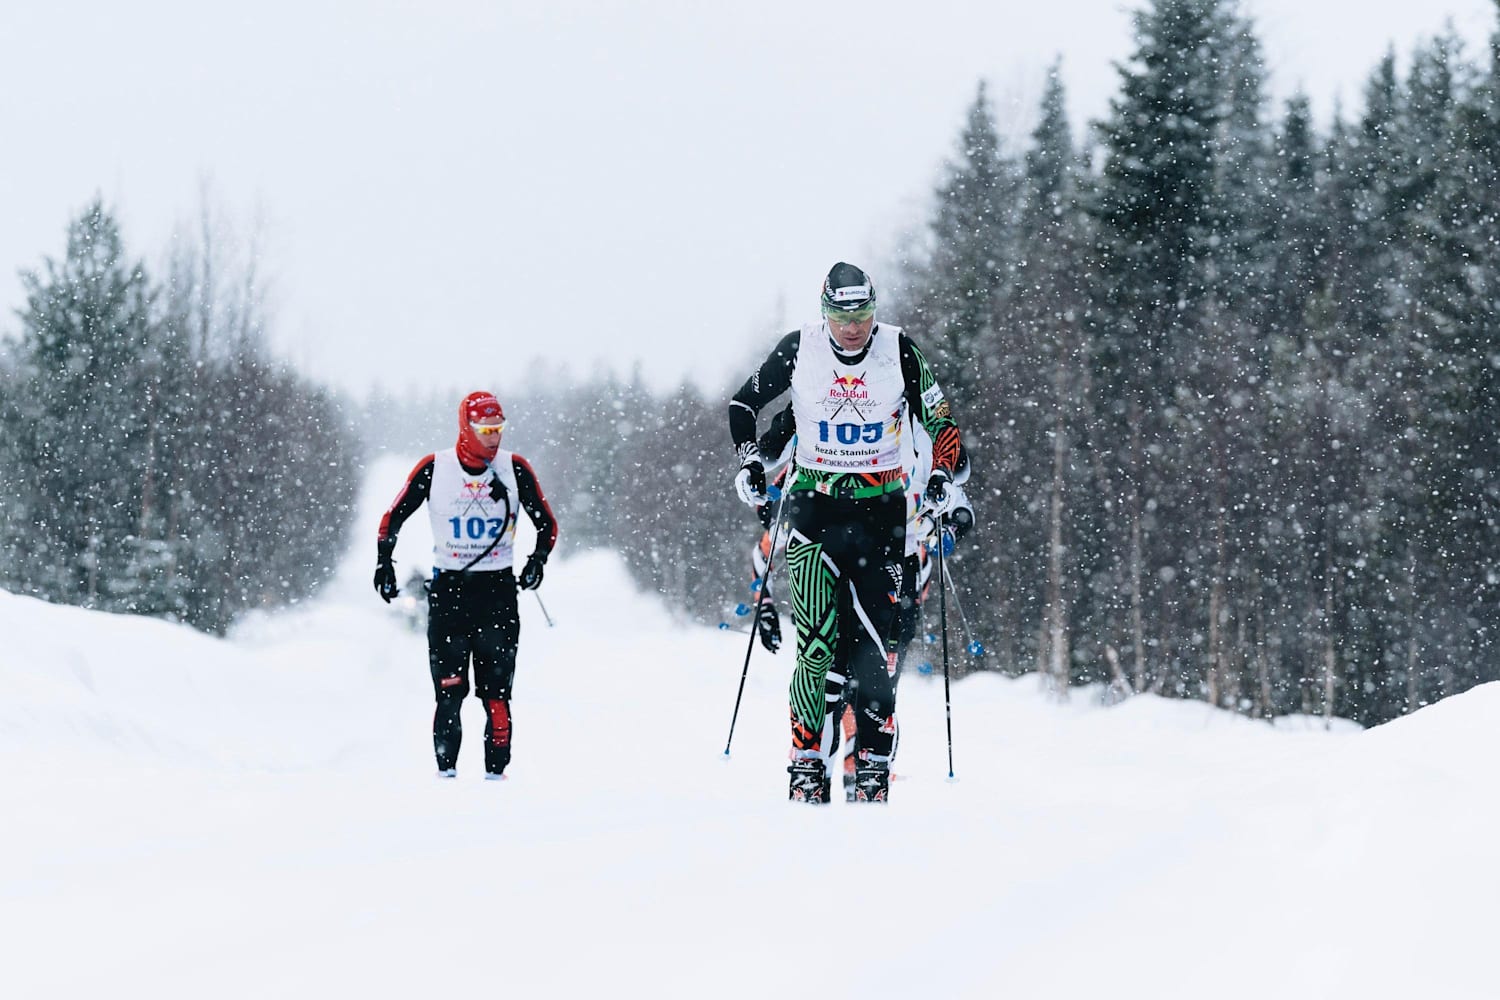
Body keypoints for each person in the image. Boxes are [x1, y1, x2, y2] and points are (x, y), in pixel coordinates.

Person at [728, 262, 963, 803]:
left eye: (862, 315)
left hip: (881, 514)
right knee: (814, 649)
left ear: (874, 310)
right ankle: (806, 763)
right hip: (815, 510)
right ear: (824, 312)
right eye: (841, 316)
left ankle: (873, 765)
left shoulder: (899, 349)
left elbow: (942, 424)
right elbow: (743, 404)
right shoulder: (799, 348)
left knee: (876, 653)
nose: (852, 327)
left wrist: (941, 477)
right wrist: (750, 462)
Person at [744, 403, 975, 799]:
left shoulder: (922, 440)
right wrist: (763, 604)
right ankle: (816, 776)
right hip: (837, 565)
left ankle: (866, 780)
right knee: (829, 680)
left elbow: (962, 508)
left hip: (901, 578)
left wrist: (946, 531)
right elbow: (771, 527)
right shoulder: (827, 438)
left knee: (875, 684)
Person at [374, 391, 558, 780]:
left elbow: (547, 523)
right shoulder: (435, 468)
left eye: (499, 429)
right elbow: (393, 516)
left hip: (497, 596)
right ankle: (446, 779)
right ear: (465, 427)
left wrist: (537, 560)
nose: (494, 437)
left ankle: (497, 780)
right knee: (449, 695)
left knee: (497, 698)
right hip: (450, 597)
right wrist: (384, 562)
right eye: (485, 430)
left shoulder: (515, 469)